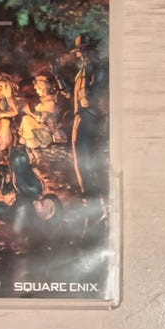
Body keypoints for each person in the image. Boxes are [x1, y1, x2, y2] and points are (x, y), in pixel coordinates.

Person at [69, 34, 107, 222]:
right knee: (81, 163)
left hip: (90, 118)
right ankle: (94, 207)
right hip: (81, 118)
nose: (78, 56)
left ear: (89, 51)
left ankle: (96, 209)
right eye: (78, 52)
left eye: (81, 52)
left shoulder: (98, 70)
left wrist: (86, 73)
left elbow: (87, 100)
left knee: (86, 163)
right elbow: (73, 95)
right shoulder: (85, 71)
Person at [18, 74, 66, 161]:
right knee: (26, 119)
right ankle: (31, 150)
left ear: (44, 89)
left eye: (38, 89)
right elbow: (37, 114)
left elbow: (42, 119)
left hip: (50, 130)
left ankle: (33, 149)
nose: (37, 91)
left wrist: (31, 113)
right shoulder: (43, 100)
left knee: (26, 120)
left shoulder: (50, 102)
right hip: (44, 127)